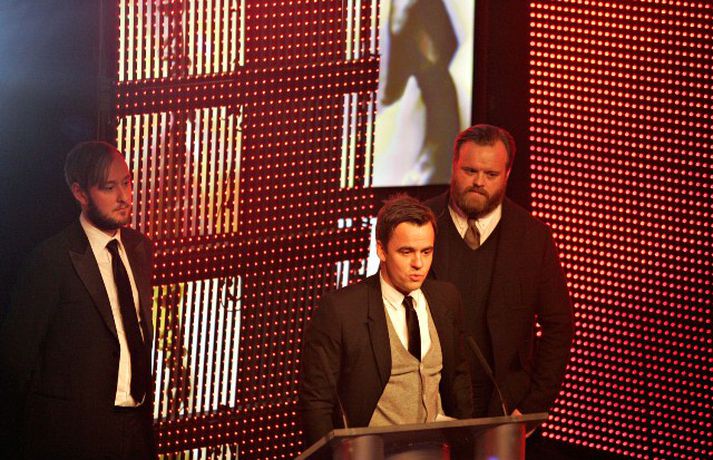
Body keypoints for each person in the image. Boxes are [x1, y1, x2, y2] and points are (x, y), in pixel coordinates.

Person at [0, 141, 156, 459]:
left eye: (126, 182)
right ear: (80, 193)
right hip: (73, 437)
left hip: (136, 429)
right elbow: (15, 363)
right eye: (108, 187)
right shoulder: (52, 260)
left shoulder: (139, 248)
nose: (124, 197)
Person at [424, 124, 574, 421]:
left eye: (491, 174)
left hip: (506, 405)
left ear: (507, 174)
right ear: (453, 166)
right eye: (470, 170)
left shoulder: (533, 236)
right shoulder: (418, 224)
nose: (479, 182)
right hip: (428, 403)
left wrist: (533, 407)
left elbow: (558, 324)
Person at [299, 195, 472, 446]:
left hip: (435, 449)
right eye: (406, 252)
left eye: (426, 251)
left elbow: (458, 378)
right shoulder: (342, 310)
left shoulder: (447, 299)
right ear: (381, 250)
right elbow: (316, 402)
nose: (418, 263)